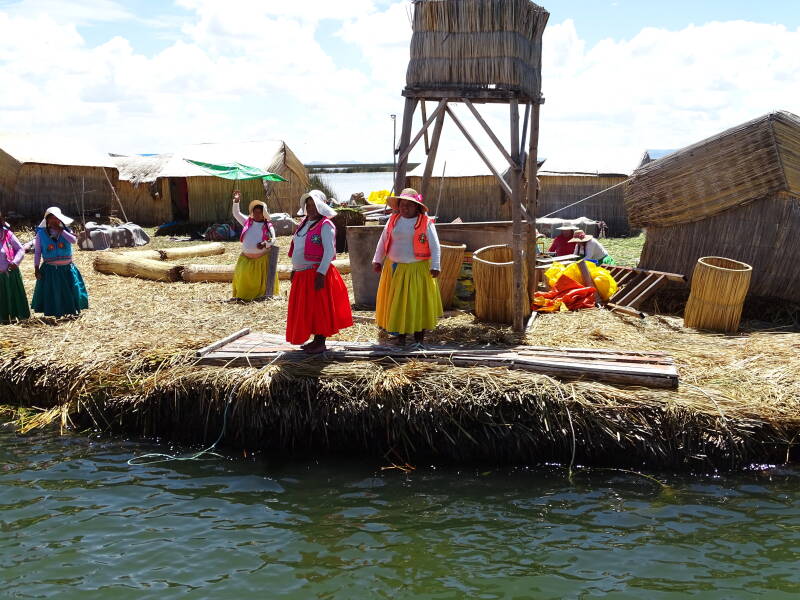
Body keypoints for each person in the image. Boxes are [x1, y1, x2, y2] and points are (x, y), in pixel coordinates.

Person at [372, 188, 442, 348]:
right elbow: (383, 240)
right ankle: (401, 337)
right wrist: (377, 260)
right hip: (394, 268)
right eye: (402, 204)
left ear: (417, 207)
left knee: (417, 303)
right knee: (397, 304)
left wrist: (435, 265)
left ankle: (418, 338)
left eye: (410, 205)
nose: (405, 208)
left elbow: (435, 245)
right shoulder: (393, 220)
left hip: (416, 270)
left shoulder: (425, 222)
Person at [286, 190, 353, 354]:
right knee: (307, 309)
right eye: (308, 205)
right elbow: (298, 247)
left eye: (314, 205)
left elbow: (329, 251)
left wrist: (321, 273)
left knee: (319, 308)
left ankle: (320, 341)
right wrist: (294, 269)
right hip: (302, 274)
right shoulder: (304, 223)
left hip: (316, 273)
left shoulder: (325, 225)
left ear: (321, 206)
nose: (310, 208)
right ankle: (315, 340)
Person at [30, 207, 89, 318]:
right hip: (50, 269)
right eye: (51, 218)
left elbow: (73, 241)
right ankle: (56, 312)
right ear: (47, 220)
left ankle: (71, 310)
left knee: (70, 290)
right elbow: (37, 252)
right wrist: (36, 268)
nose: (54, 220)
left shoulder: (66, 231)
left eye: (56, 218)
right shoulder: (41, 234)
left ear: (60, 219)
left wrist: (61, 231)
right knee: (54, 292)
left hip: (67, 268)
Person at [231, 190, 278, 301]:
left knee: (260, 283)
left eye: (260, 212)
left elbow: (273, 239)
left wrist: (265, 243)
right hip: (245, 259)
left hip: (262, 260)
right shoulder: (247, 222)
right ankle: (244, 297)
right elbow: (236, 213)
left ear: (264, 214)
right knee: (244, 278)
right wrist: (236, 201)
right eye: (255, 212)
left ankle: (260, 297)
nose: (257, 214)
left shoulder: (268, 226)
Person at [0, 213, 30, 322]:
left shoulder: (7, 234)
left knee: (13, 296)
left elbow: (20, 249)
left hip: (10, 272)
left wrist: (15, 262)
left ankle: (15, 316)